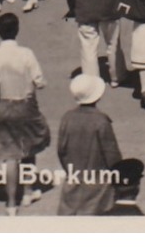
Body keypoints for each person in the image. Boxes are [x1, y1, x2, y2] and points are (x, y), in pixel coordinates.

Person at [0, 12, 50, 215]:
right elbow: (39, 80)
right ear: (17, 30)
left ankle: (11, 204)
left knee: (10, 156)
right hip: (26, 105)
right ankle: (27, 192)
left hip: (1, 107)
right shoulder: (26, 53)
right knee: (28, 149)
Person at [57, 74, 121, 216]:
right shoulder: (101, 121)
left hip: (74, 179)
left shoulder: (67, 118)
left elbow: (61, 150)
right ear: (97, 96)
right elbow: (112, 154)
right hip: (98, 183)